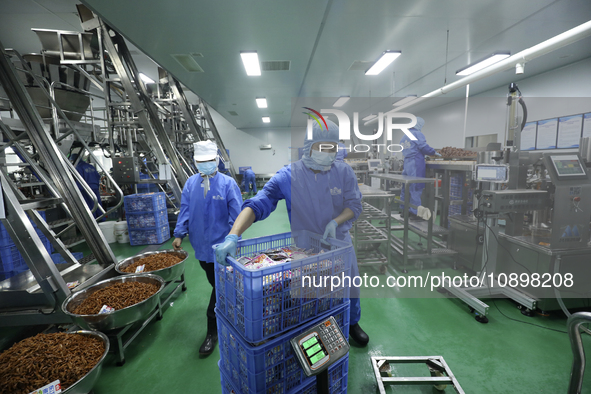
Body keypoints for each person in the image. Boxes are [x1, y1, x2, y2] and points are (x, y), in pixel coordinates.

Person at [215, 120, 370, 346]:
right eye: (323, 147)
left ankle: (352, 322)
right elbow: (258, 204)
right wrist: (233, 235)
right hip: (306, 250)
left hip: (340, 244)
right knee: (311, 293)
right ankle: (317, 328)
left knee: (349, 284)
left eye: (333, 148)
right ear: (309, 146)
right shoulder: (289, 176)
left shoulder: (343, 171)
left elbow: (354, 205)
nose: (329, 154)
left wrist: (336, 222)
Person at [172, 140, 242, 356]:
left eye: (209, 161)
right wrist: (179, 233)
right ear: (195, 162)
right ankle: (230, 307)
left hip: (223, 248)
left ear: (216, 160)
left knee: (219, 286)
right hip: (200, 247)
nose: (205, 165)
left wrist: (232, 239)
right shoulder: (190, 184)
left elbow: (237, 216)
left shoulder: (228, 184)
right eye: (201, 162)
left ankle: (212, 331)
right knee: (216, 282)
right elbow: (184, 210)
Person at [399, 117, 440, 219]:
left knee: (406, 187)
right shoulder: (417, 134)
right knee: (415, 188)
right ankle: (415, 212)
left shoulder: (404, 136)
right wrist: (433, 152)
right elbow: (423, 147)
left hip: (407, 163)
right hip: (415, 163)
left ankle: (404, 211)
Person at [70, 152, 102, 218]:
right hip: (95, 188)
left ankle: (93, 221)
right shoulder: (90, 166)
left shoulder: (78, 168)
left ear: (73, 160)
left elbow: (79, 180)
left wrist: (76, 191)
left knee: (90, 206)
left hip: (86, 189)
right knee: (97, 204)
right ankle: (102, 218)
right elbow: (98, 176)